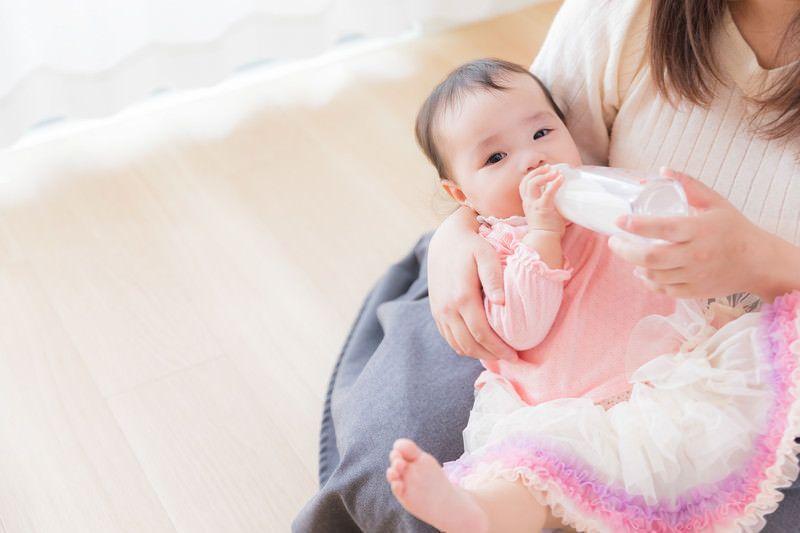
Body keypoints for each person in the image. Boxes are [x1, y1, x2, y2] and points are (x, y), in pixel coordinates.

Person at [293, 0, 800, 530]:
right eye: (497, 158)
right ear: (457, 191)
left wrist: (755, 261)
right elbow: (518, 325)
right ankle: (481, 513)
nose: (533, 158)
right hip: (566, 389)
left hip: (676, 357)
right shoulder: (624, 17)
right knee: (527, 469)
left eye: (542, 136)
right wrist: (465, 232)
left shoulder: (591, 199)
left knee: (709, 442)